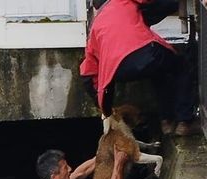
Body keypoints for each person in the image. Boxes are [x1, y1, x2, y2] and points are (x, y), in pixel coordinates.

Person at [81, 0, 201, 136]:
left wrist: (102, 105)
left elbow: (88, 73)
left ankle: (166, 122)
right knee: (182, 66)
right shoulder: (121, 1)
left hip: (117, 70)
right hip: (143, 52)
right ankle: (185, 121)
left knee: (159, 73)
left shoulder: (95, 28)